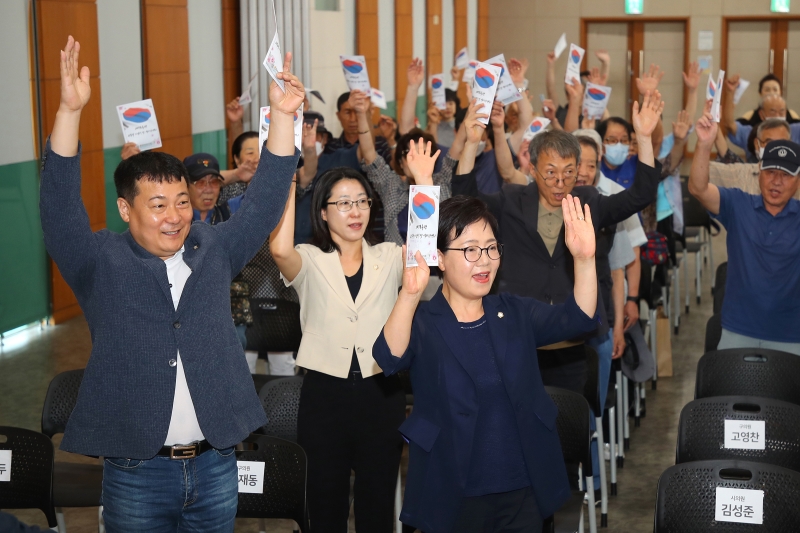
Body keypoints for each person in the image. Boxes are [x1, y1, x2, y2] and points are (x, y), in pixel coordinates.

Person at [39, 37, 302, 531]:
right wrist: (70, 111)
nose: (175, 216)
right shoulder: (100, 260)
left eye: (181, 201)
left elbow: (266, 201)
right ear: (125, 209)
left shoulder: (213, 247)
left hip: (216, 462)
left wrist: (283, 117)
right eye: (157, 205)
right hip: (138, 470)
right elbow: (58, 208)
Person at [372, 193, 598, 532]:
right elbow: (388, 359)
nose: (485, 261)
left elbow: (579, 319)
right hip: (452, 490)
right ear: (440, 259)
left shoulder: (514, 311)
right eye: (470, 249)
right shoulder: (423, 320)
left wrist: (584, 259)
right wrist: (409, 294)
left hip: (523, 487)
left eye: (492, 248)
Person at [270, 138, 441, 531]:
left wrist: (424, 180)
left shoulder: (388, 256)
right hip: (323, 395)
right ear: (324, 213)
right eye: (344, 203)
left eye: (362, 201)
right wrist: (286, 181)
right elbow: (279, 251)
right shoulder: (310, 259)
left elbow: (424, 251)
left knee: (377, 504)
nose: (356, 211)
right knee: (323, 504)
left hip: (381, 393)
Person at [451, 90, 664, 395]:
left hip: (570, 346)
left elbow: (640, 195)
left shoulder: (589, 202)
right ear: (533, 170)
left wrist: (643, 138)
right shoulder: (511, 200)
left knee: (566, 430)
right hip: (515, 342)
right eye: (550, 173)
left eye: (568, 173)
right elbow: (464, 199)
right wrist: (471, 144)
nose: (559, 182)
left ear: (579, 171)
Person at [689, 112, 800, 355]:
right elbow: (698, 188)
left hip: (791, 336)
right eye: (770, 172)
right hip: (737, 332)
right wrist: (704, 144)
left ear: (798, 181)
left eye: (786, 175)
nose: (776, 181)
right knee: (733, 393)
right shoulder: (738, 204)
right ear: (759, 171)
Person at [355, 88, 475, 244]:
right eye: (411, 154)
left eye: (423, 152)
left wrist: (472, 108)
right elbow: (369, 153)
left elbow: (458, 145)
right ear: (400, 161)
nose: (417, 159)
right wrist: (361, 114)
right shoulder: (391, 185)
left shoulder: (442, 181)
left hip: (438, 263)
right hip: (399, 264)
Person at [711, 117, 800, 200]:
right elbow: (703, 176)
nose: (776, 149)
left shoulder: (797, 178)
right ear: (757, 145)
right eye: (770, 143)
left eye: (781, 143)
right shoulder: (740, 174)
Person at [736, 73, 800, 127]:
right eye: (767, 90)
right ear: (760, 93)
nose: (771, 93)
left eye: (775, 90)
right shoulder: (750, 115)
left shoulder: (791, 114)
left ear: (780, 92)